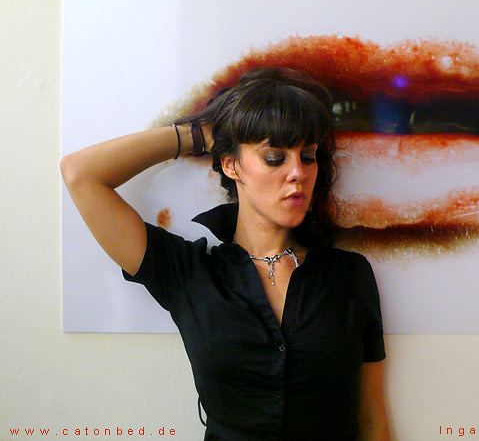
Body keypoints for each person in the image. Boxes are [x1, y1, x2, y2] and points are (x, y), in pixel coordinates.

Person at [61, 67, 390, 441]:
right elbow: (80, 173)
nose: (298, 172)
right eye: (274, 158)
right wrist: (200, 135)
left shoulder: (349, 275)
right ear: (232, 164)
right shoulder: (189, 274)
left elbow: (372, 420)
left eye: (308, 156)